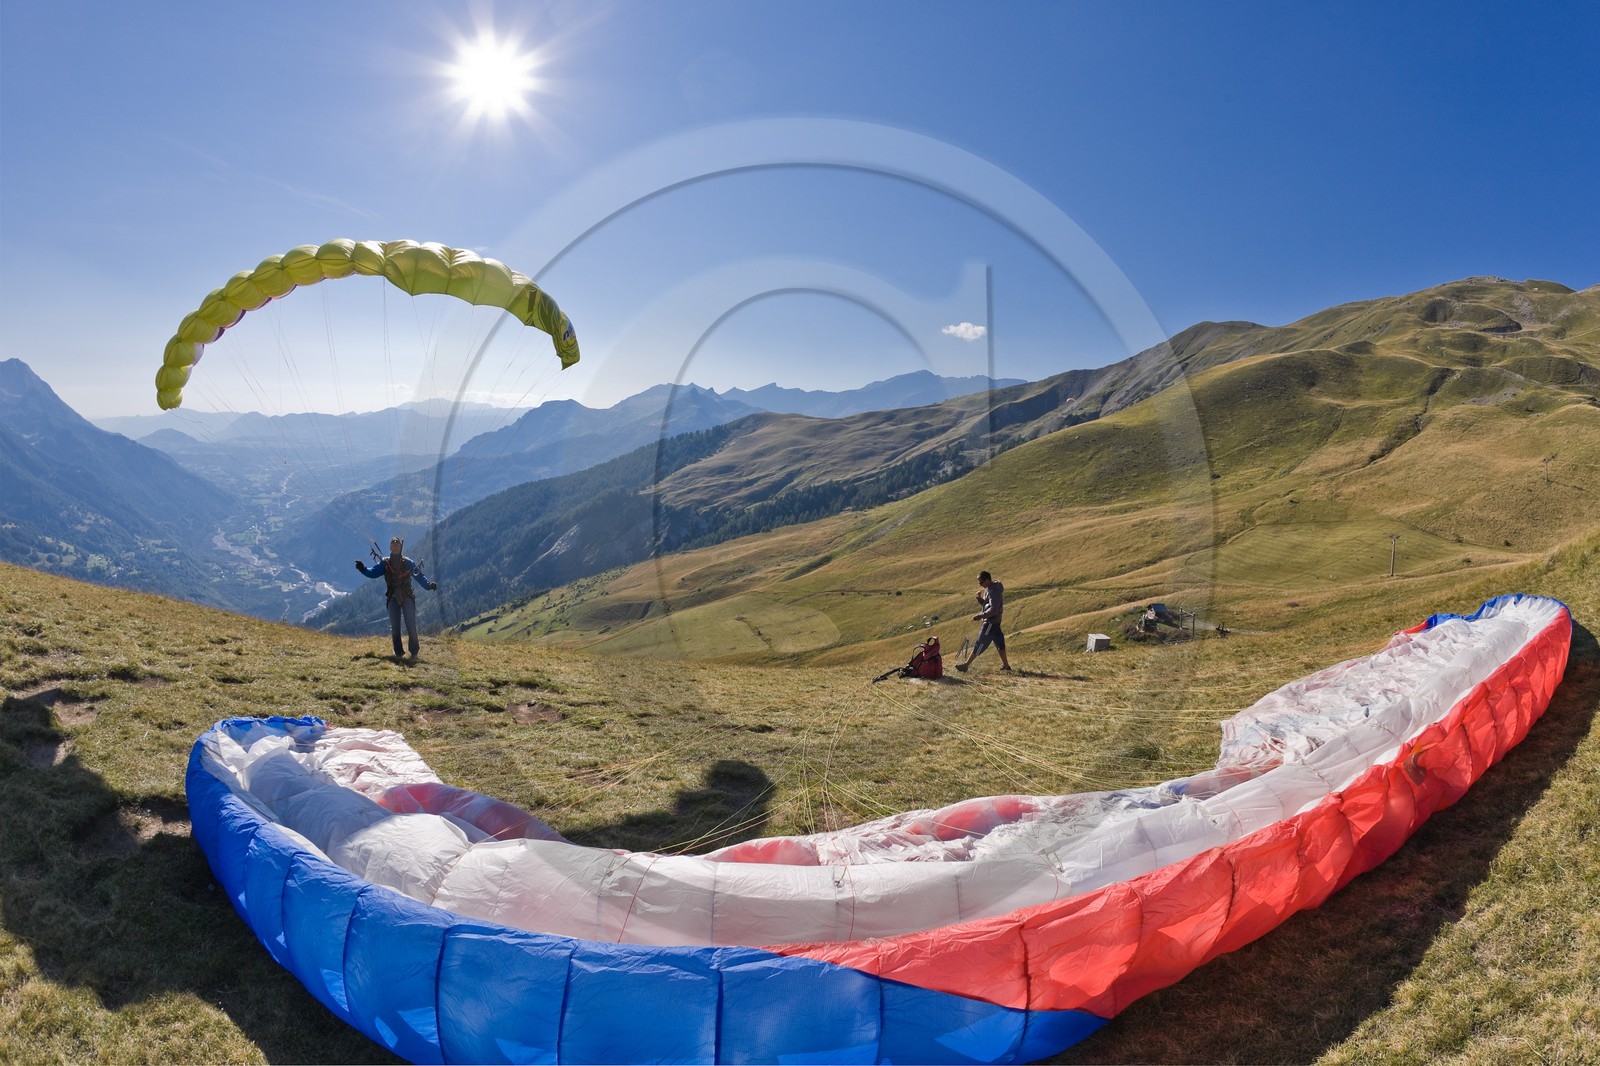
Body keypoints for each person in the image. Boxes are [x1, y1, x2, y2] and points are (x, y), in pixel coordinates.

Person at [356, 537, 438, 659]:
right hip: (392, 597)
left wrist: (428, 585)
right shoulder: (385, 563)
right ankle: (398, 653)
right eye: (393, 543)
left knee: (411, 625)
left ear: (401, 546)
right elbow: (373, 572)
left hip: (407, 596)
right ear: (390, 547)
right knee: (395, 627)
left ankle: (414, 653)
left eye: (397, 543)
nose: (395, 544)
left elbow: (419, 576)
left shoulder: (408, 562)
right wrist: (363, 569)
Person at [954, 570, 1010, 673]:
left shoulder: (994, 591)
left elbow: (993, 609)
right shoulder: (989, 588)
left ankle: (966, 665)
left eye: (981, 582)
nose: (980, 584)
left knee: (980, 643)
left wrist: (980, 616)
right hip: (995, 622)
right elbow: (986, 605)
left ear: (988, 580)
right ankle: (1006, 666)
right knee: (999, 643)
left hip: (990, 623)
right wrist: (979, 598)